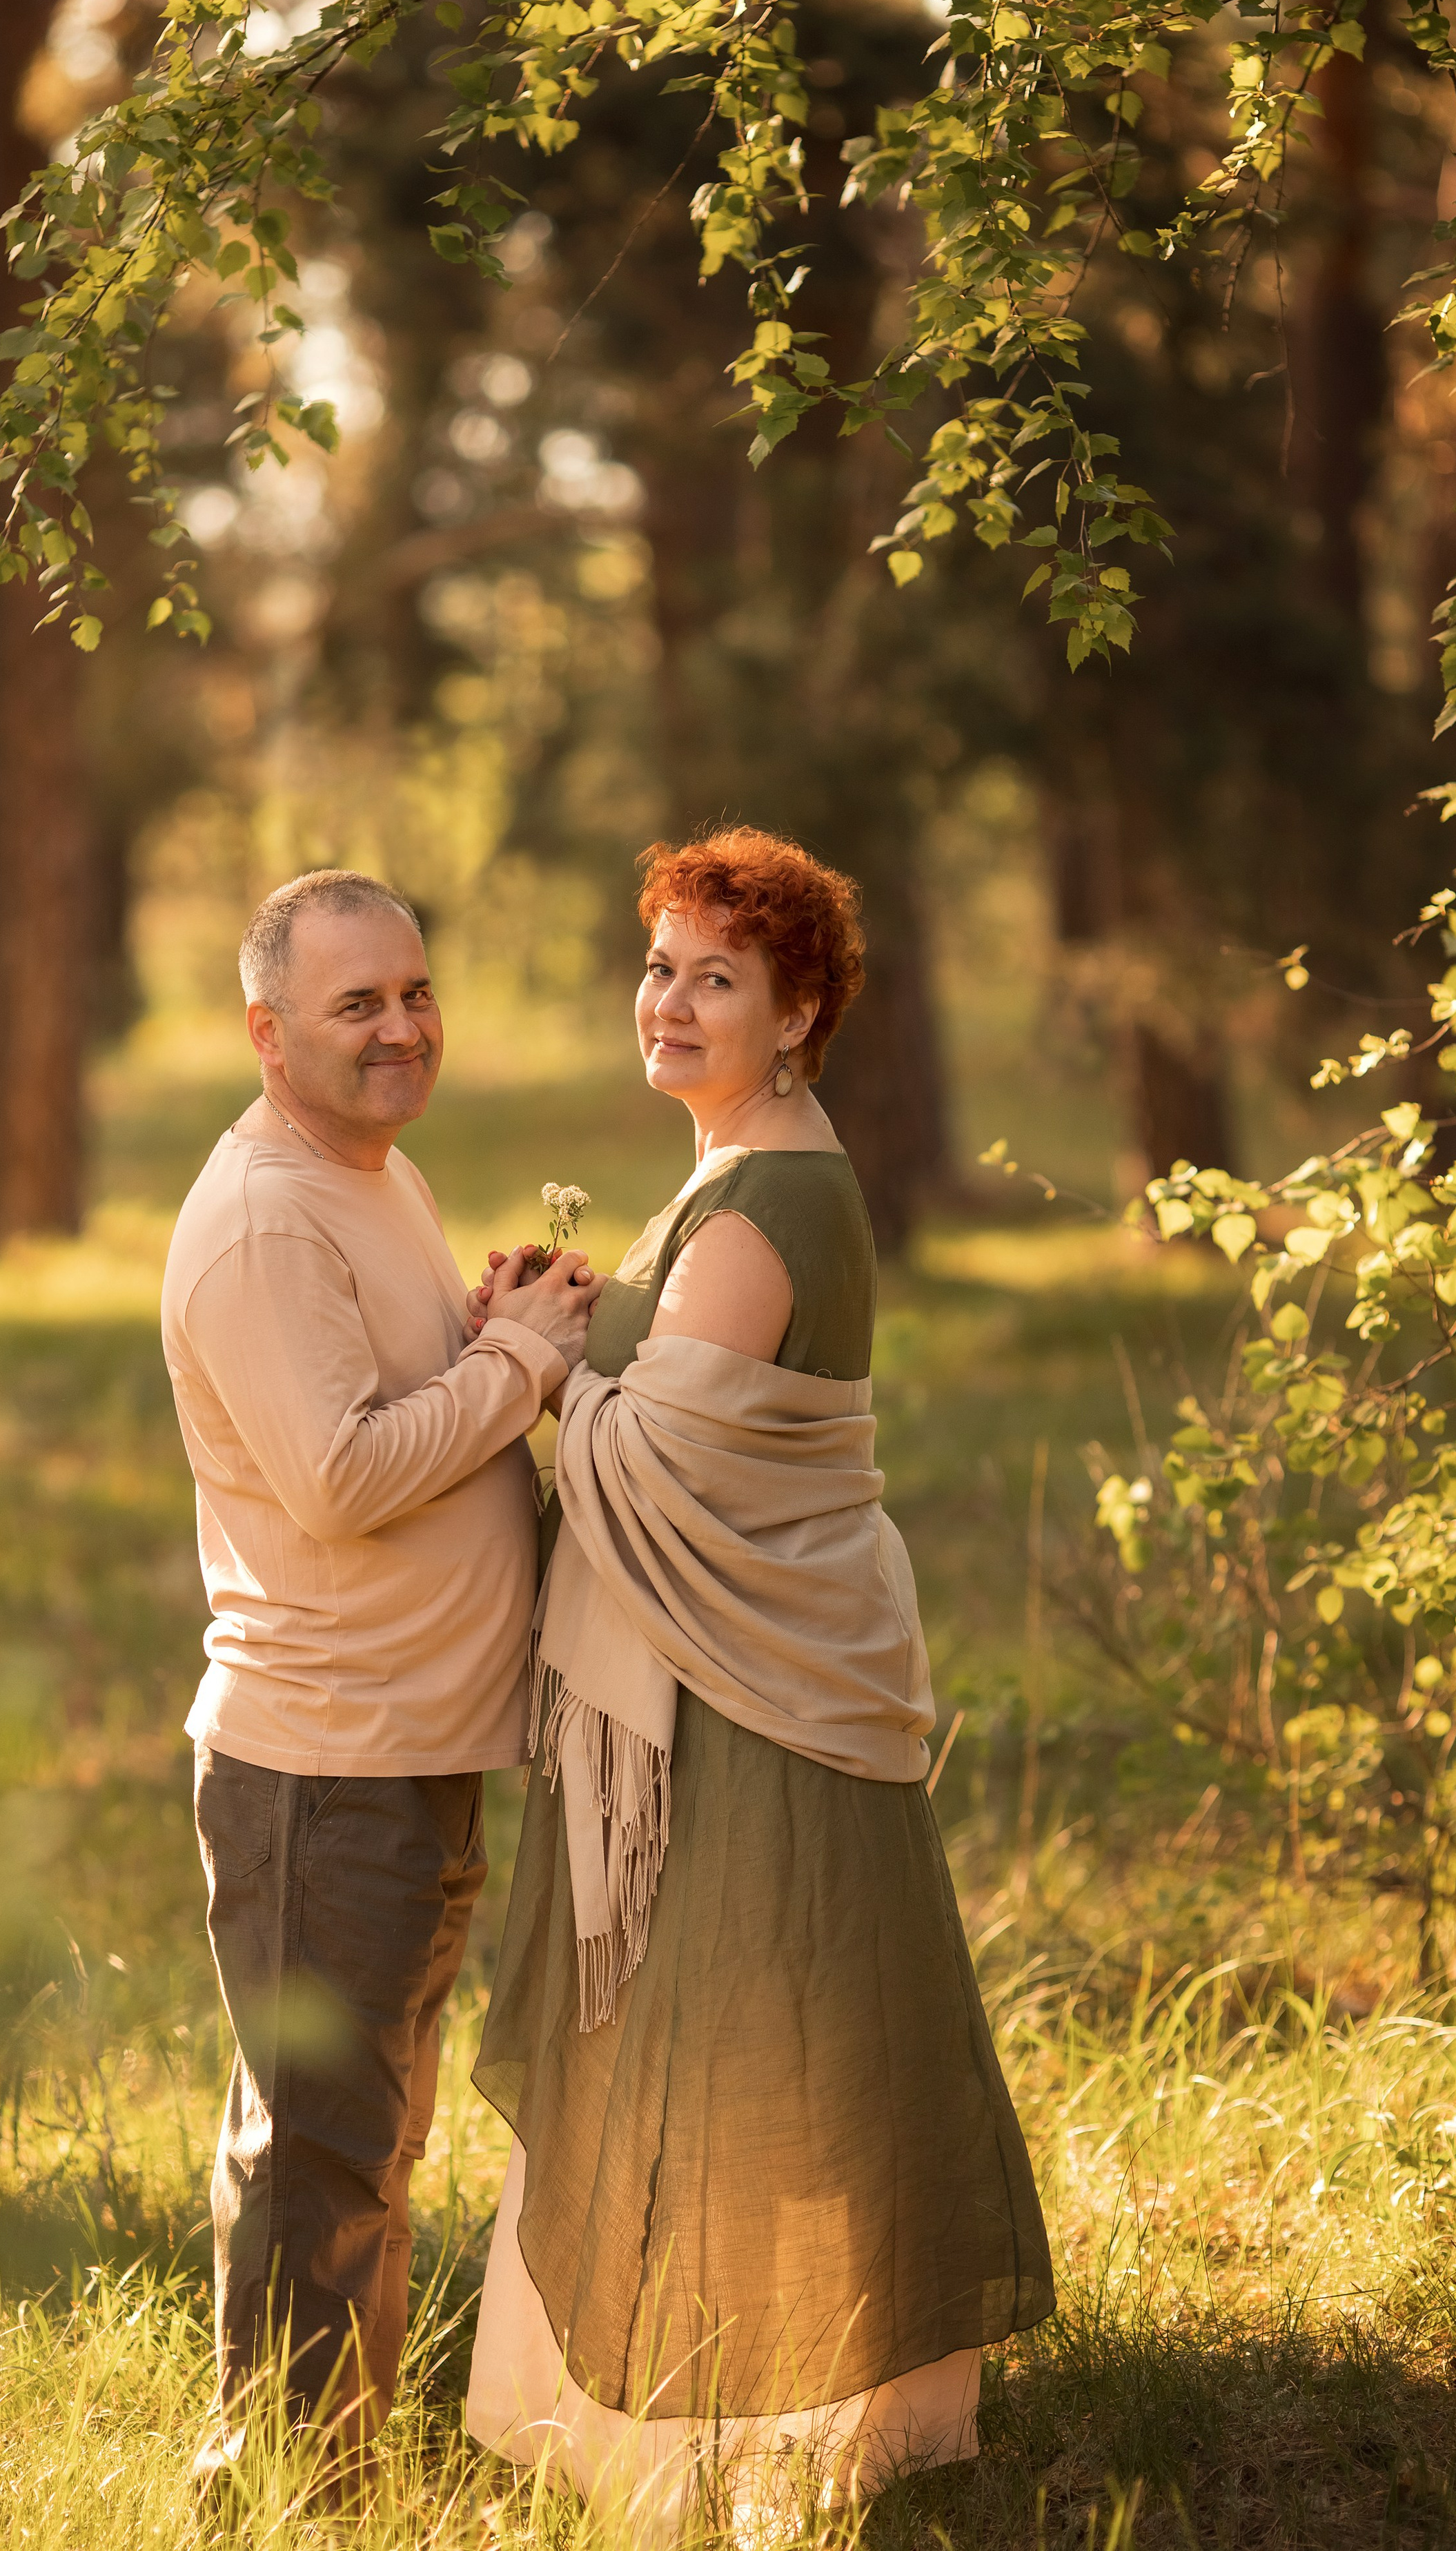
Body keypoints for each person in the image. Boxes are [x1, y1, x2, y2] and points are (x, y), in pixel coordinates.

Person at [464, 828, 1054, 2536]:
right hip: (725, 1671)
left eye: (714, 977)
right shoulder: (731, 1173)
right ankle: (737, 2404)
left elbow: (655, 1469)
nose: (669, 1000)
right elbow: (671, 1408)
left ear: (798, 1013)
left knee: (747, 2035)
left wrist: (538, 1363)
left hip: (743, 1697)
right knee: (749, 2029)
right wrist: (567, 1320)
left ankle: (755, 2423)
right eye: (657, 964)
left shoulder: (777, 1191)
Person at [159, 868, 601, 2488]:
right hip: (321, 1763)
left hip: (405, 1748)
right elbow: (341, 1477)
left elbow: (395, 1407)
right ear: (268, 1032)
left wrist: (487, 1331)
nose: (401, 1028)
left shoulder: (367, 1175)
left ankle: (328, 2461)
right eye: (359, 1004)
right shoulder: (266, 1215)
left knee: (370, 2138)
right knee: (318, 2153)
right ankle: (279, 2488)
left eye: (414, 994)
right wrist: (520, 1363)